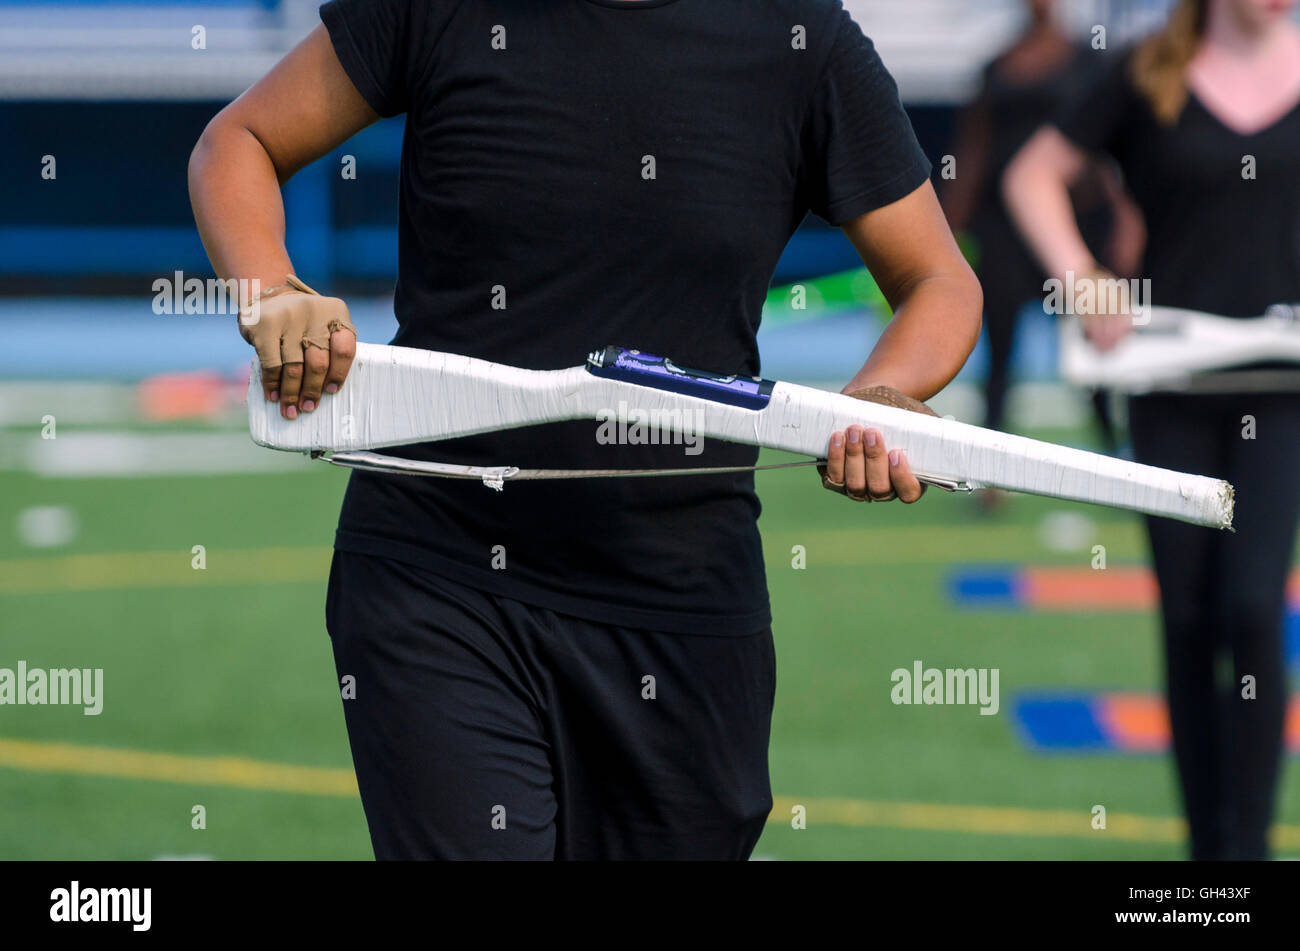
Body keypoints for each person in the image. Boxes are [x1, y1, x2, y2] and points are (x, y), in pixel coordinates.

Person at [189, 0, 980, 860]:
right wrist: (272, 289)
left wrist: (877, 395)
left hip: (684, 606)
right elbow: (239, 143)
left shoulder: (803, 36)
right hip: (438, 573)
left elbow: (940, 279)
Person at [1005, 0, 1300, 860]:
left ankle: (1245, 853)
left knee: (1251, 606)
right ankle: (1205, 854)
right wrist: (1083, 276)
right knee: (1187, 616)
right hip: (1165, 386)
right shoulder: (1142, 71)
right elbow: (1032, 175)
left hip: (1279, 389)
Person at [942, 0, 1144, 459]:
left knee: (1094, 343)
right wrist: (947, 226)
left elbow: (1117, 149)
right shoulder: (998, 66)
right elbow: (972, 150)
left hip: (1074, 227)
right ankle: (990, 463)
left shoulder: (1092, 63)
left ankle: (1117, 456)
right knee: (998, 352)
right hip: (1001, 229)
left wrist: (1127, 218)